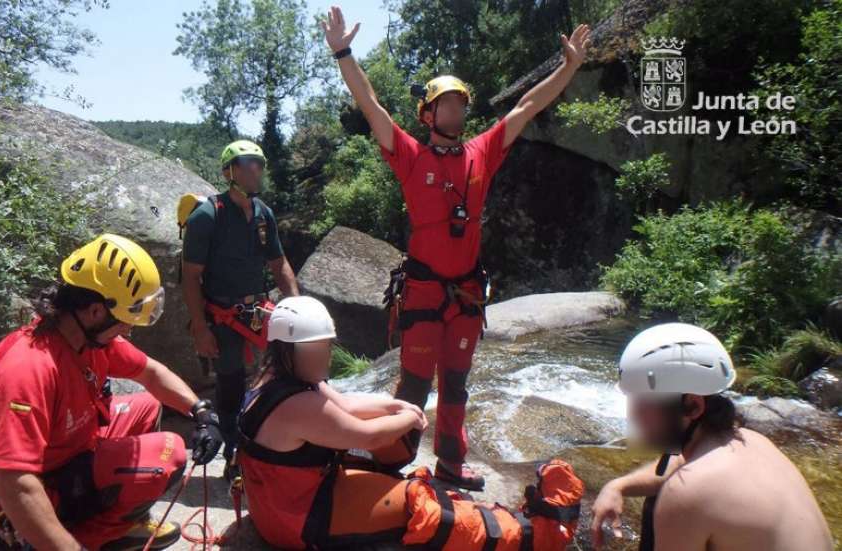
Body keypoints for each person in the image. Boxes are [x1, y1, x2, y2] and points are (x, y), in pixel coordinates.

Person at [321, 5, 592, 490]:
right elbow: (370, 105)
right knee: (414, 385)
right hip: (424, 290)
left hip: (466, 291)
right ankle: (389, 461)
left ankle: (449, 462)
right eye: (447, 104)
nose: (457, 110)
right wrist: (343, 52)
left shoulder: (481, 151)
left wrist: (568, 67)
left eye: (461, 104)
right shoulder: (409, 154)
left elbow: (527, 107)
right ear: (428, 114)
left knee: (457, 384)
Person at [236, 296, 585, 550]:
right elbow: (366, 436)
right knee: (426, 509)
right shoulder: (298, 405)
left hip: (281, 504)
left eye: (327, 346)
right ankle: (535, 535)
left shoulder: (274, 379)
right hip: (296, 520)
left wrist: (393, 404)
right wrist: (406, 418)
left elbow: (345, 404)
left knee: (406, 471)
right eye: (320, 348)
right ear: (290, 349)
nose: (327, 355)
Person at [0, 234, 223, 551]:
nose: (128, 330)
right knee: (169, 452)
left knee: (147, 405)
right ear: (94, 311)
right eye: (123, 321)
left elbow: (150, 371)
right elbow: (14, 486)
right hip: (38, 480)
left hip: (69, 449)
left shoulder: (86, 339)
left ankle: (116, 521)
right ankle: (87, 539)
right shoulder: (29, 369)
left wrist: (201, 410)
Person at [591, 323, 833, 551]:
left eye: (643, 406)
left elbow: (688, 481)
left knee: (660, 503)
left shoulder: (686, 493)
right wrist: (618, 485)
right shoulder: (752, 440)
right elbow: (681, 463)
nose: (632, 417)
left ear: (693, 406)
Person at [181, 139, 300, 482]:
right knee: (231, 381)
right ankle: (234, 455)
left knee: (288, 363)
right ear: (229, 171)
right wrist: (200, 328)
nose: (255, 170)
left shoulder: (263, 213)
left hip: (256, 308)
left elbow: (279, 264)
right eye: (247, 163)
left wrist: (298, 306)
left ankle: (278, 438)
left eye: (259, 164)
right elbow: (190, 277)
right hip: (221, 313)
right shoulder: (207, 215)